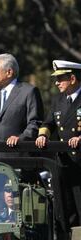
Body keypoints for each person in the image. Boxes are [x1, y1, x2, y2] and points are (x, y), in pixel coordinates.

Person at [35, 60, 81, 226]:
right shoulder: (58, 100)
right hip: (63, 162)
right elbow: (48, 123)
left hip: (79, 163)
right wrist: (43, 136)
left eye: (60, 78)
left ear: (73, 79)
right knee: (64, 209)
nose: (56, 82)